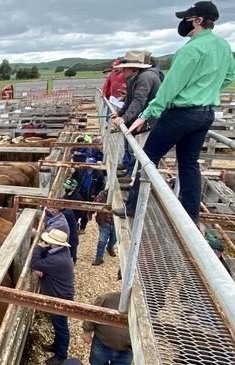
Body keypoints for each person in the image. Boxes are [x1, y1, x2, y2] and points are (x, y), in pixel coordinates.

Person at [114, 1, 235, 222]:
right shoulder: (223, 46)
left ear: (198, 21)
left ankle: (132, 205)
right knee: (189, 163)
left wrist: (145, 115)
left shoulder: (190, 50)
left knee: (148, 158)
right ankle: (190, 217)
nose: (183, 24)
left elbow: (170, 88)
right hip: (205, 113)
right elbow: (229, 76)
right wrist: (206, 91)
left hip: (181, 114)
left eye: (187, 19)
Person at [110, 50, 162, 178]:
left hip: (147, 121)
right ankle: (130, 172)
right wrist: (121, 113)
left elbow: (139, 100)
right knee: (134, 148)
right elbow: (131, 99)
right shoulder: (138, 77)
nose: (122, 72)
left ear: (133, 68)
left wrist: (124, 118)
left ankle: (135, 179)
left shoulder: (145, 78)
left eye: (125, 69)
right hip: (141, 119)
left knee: (140, 151)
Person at [31, 229, 75, 365]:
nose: (47, 243)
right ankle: (56, 346)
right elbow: (43, 262)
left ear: (55, 244)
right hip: (60, 294)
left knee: (61, 326)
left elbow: (34, 264)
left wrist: (38, 248)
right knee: (58, 324)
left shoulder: (57, 260)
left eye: (49, 241)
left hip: (59, 297)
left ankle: (61, 356)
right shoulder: (62, 252)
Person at [82, 292, 133, 365]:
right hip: (102, 344)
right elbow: (92, 313)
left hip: (126, 351)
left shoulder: (147, 309)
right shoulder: (107, 298)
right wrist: (87, 331)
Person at [73, 158, 106, 233]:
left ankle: (82, 228)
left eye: (89, 164)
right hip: (79, 193)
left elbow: (102, 186)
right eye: (87, 163)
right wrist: (75, 188)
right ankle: (75, 226)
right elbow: (73, 177)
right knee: (76, 209)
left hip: (90, 195)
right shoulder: (80, 170)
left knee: (86, 212)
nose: (87, 165)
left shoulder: (98, 173)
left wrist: (95, 194)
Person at [91, 190, 116, 266]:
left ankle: (110, 248)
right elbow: (95, 204)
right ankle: (99, 258)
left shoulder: (125, 195)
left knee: (114, 239)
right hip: (104, 222)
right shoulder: (104, 193)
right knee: (102, 241)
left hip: (116, 224)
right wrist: (90, 212)